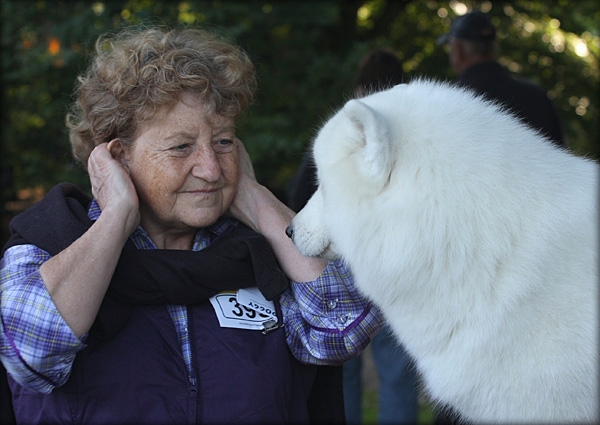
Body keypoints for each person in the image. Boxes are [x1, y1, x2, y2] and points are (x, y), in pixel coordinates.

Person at [0, 26, 385, 424]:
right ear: (119, 156)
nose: (210, 169)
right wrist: (116, 215)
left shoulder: (259, 250)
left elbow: (343, 329)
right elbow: (31, 354)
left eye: (223, 142)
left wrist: (252, 197)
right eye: (181, 146)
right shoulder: (51, 241)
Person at [288, 48, 420, 425]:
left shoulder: (344, 141)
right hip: (394, 272)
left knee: (343, 369)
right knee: (396, 372)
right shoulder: (410, 143)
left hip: (338, 273)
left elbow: (300, 199)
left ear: (361, 88)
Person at [436, 10, 565, 147]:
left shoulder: (449, 103)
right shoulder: (536, 97)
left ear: (458, 50)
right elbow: (562, 155)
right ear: (494, 48)